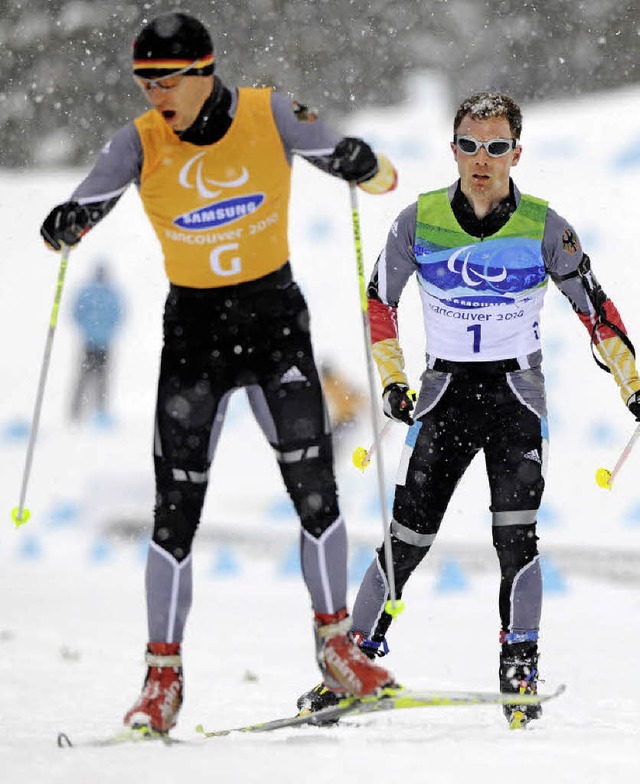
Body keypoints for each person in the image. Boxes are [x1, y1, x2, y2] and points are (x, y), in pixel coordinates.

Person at [39, 12, 399, 734]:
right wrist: (65, 225)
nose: (155, 95)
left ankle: (337, 649)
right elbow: (79, 207)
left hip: (274, 329)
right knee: (175, 515)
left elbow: (381, 176)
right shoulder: (137, 142)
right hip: (195, 338)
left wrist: (362, 162)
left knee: (316, 492)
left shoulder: (270, 111)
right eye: (144, 82)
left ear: (206, 70)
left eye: (166, 80)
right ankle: (161, 679)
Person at [297, 91, 640, 728]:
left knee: (517, 540)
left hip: (514, 400)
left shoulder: (543, 225)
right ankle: (351, 664)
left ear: (517, 151)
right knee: (406, 540)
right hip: (444, 396)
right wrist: (395, 383)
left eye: (497, 146)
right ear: (453, 148)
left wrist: (632, 383)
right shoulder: (417, 220)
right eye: (470, 145)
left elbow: (594, 306)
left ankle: (520, 667)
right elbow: (380, 304)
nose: (482, 159)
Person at [70, 262, 124, 425]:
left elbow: (117, 315)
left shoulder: (92, 292)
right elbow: (78, 312)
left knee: (95, 378)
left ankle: (91, 411)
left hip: (97, 341)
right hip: (96, 341)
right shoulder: (107, 293)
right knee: (91, 378)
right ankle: (82, 411)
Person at [319, 361, 366, 459]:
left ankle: (333, 460)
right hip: (341, 420)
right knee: (332, 441)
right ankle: (331, 459)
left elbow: (356, 394)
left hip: (348, 419)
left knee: (336, 443)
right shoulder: (332, 383)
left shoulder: (338, 382)